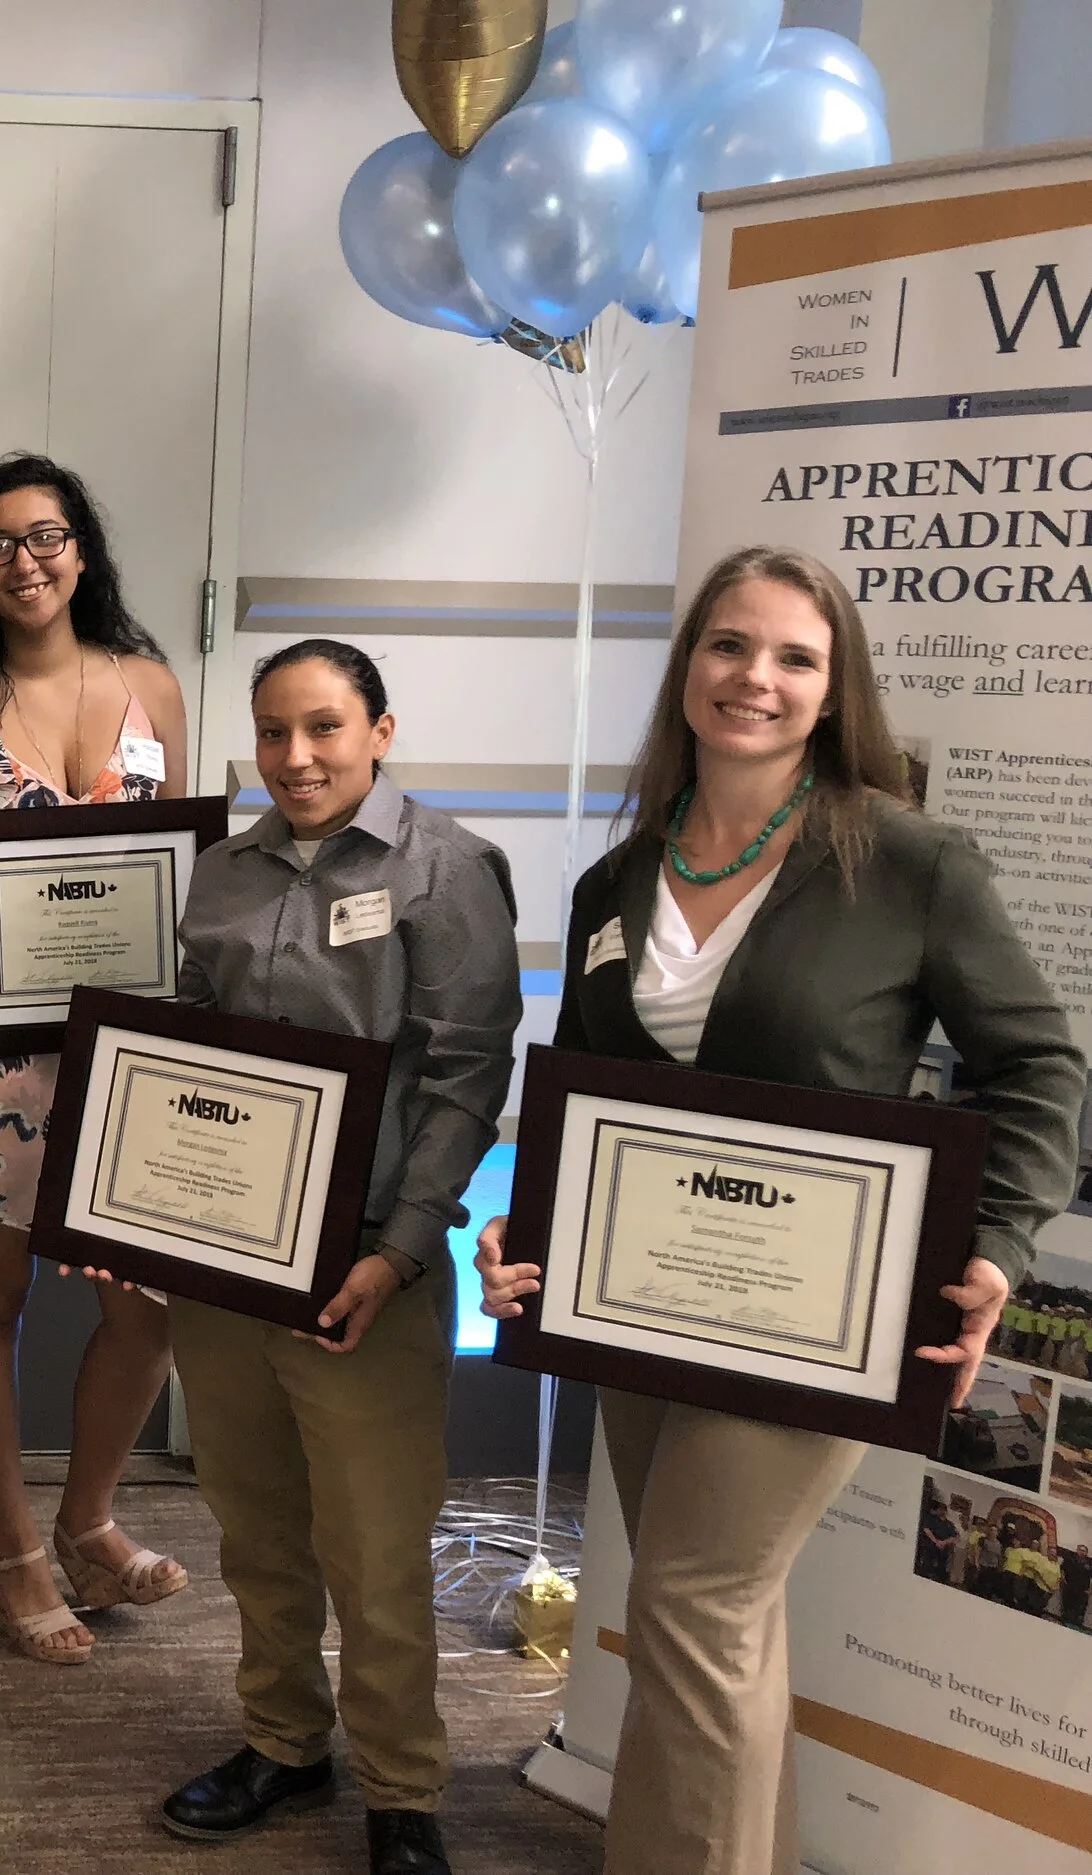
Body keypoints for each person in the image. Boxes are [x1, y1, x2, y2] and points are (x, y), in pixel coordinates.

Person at [475, 545, 1084, 1875]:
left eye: (794, 655)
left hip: (822, 1311)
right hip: (637, 1298)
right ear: (688, 665)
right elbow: (590, 1096)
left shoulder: (910, 862)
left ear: (832, 688)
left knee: (693, 1601)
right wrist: (527, 1227)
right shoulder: (616, 883)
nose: (756, 676)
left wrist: (994, 1243)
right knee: (724, 1620)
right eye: (729, 645)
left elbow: (1039, 1065)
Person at [105, 641, 518, 1873]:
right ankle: (284, 1742)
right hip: (227, 1266)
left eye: (326, 729)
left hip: (364, 1273)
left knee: (376, 1549)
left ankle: (403, 1791)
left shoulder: (444, 871)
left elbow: (464, 1078)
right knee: (255, 1525)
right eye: (272, 733)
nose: (296, 757)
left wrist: (397, 1253)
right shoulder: (222, 874)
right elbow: (183, 1049)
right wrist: (128, 1205)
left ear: (380, 732)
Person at [0, 454, 193, 1663]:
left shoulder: (150, 685)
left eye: (45, 535)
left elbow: (178, 857)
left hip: (123, 1040)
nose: (26, 560)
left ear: (81, 548)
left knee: (145, 1305)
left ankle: (87, 1523)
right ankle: (10, 1548)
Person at [915, 1497, 959, 1584]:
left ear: (945, 1511)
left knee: (940, 1571)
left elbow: (954, 1536)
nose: (940, 1511)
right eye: (939, 1509)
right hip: (930, 1547)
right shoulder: (932, 1519)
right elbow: (926, 1530)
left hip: (942, 1551)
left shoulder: (949, 1524)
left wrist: (944, 1542)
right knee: (926, 1567)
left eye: (942, 1509)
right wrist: (936, 1541)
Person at [1061, 1545, 1091, 1629]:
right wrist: (1063, 1579)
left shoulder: (1089, 1564)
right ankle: (1064, 1624)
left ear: (1086, 1553)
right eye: (1080, 1550)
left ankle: (1075, 1627)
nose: (1082, 1552)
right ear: (1077, 1551)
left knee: (1079, 1611)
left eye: (1084, 1551)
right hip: (1069, 1588)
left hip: (1082, 1591)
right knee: (1067, 1607)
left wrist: (1090, 1590)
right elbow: (1062, 1569)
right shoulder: (1070, 1560)